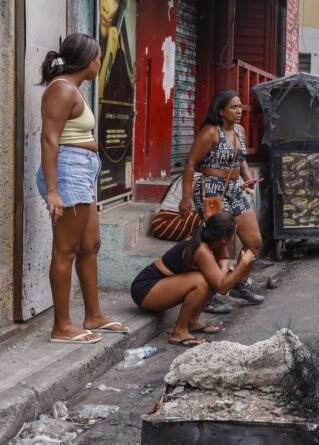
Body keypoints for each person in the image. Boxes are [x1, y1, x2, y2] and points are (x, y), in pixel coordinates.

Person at [36, 33, 130, 344]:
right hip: (68, 172)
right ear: (88, 60)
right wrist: (53, 191)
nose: (100, 62)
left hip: (81, 171)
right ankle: (61, 326)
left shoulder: (72, 88)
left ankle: (94, 315)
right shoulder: (62, 89)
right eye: (98, 57)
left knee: (90, 245)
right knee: (66, 250)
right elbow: (49, 139)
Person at [179, 90, 264, 314]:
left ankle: (239, 284)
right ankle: (207, 295)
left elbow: (240, 157)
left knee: (254, 241)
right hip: (211, 191)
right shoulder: (210, 132)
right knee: (217, 244)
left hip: (235, 189)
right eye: (233, 107)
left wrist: (246, 177)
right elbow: (190, 164)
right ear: (220, 110)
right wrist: (186, 198)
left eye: (240, 107)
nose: (239, 111)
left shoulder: (239, 130)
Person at [130, 213, 256, 348]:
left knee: (209, 278)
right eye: (234, 235)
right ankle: (179, 332)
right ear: (225, 238)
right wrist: (243, 264)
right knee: (200, 281)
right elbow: (222, 288)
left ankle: (192, 322)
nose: (234, 237)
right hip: (145, 290)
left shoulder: (214, 240)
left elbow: (223, 260)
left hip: (159, 287)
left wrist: (223, 269)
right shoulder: (201, 249)